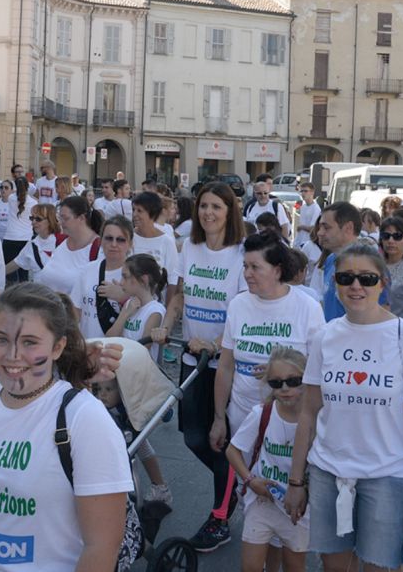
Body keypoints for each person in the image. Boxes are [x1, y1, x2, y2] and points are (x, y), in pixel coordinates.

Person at [0, 282, 133, 571]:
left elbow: (102, 547)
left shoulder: (84, 419)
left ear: (57, 347)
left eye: (29, 342)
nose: (12, 355)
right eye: (1, 339)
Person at [285, 242, 403, 571]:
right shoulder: (324, 337)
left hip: (386, 478)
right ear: (335, 283)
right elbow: (308, 414)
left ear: (383, 283)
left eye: (367, 278)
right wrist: (296, 482)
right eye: (346, 277)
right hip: (328, 474)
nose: (355, 286)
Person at [152, 182, 248, 552]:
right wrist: (166, 323)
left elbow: (242, 308)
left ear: (229, 213)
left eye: (217, 207)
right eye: (204, 206)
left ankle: (220, 516)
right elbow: (179, 297)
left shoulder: (240, 253)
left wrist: (218, 342)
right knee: (193, 437)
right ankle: (237, 482)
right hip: (193, 358)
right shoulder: (189, 247)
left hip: (224, 362)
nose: (208, 212)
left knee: (219, 438)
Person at [211, 230, 324, 459]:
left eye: (255, 267)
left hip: (290, 421)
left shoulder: (308, 308)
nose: (247, 274)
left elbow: (320, 369)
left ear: (277, 270)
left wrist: (284, 371)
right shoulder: (238, 305)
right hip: (241, 415)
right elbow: (225, 367)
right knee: (245, 487)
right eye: (245, 266)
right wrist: (219, 417)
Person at [227, 348, 311, 572]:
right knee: (251, 567)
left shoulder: (318, 420)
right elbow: (232, 451)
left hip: (299, 508)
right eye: (276, 383)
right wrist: (250, 480)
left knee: (294, 566)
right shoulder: (262, 413)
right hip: (262, 502)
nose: (285, 389)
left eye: (293, 381)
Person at [92, 374, 173, 507]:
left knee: (142, 448)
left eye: (108, 389)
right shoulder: (100, 404)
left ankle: (160, 487)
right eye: (99, 389)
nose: (103, 394)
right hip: (122, 433)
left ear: (121, 391)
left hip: (131, 429)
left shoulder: (128, 407)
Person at [72, 215, 132, 339]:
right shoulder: (87, 269)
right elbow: (76, 311)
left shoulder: (136, 274)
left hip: (120, 350)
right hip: (88, 347)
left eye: (121, 239)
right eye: (109, 238)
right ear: (101, 240)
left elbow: (146, 314)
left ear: (130, 243)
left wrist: (122, 298)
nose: (114, 244)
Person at [37, 195, 104, 295]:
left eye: (65, 218)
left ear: (81, 218)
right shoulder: (60, 242)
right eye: (60, 218)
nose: (61, 223)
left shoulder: (100, 248)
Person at [107, 253, 167, 363]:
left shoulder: (155, 311)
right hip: (122, 367)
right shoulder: (130, 304)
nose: (121, 282)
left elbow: (142, 350)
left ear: (143, 280)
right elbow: (109, 338)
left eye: (125, 277)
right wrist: (125, 313)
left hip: (140, 373)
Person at [131, 191, 180, 303]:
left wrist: (167, 309)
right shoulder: (129, 238)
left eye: (139, 211)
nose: (134, 214)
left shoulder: (166, 241)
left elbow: (173, 278)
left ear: (152, 214)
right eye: (134, 210)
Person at [7, 203, 59, 281]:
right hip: (39, 292)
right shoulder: (32, 245)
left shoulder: (64, 242)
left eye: (38, 219)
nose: (33, 222)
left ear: (50, 220)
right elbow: (15, 264)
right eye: (32, 218)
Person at [1, 177, 39, 282]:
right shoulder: (33, 203)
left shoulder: (11, 198)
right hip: (25, 239)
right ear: (27, 187)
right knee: (23, 273)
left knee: (8, 274)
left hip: (10, 238)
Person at [294, 183, 320, 249]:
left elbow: (313, 228)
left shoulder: (316, 208)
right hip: (299, 242)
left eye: (305, 191)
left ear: (312, 192)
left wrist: (301, 227)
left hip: (308, 243)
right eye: (301, 191)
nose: (303, 193)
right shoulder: (303, 207)